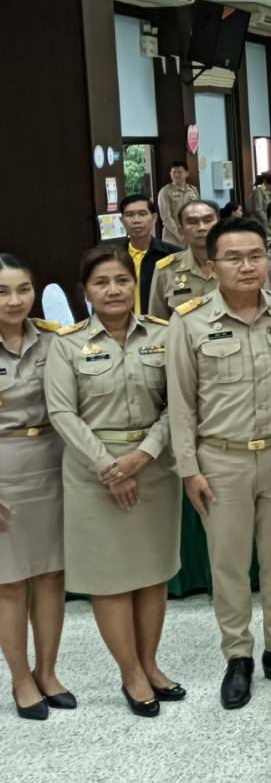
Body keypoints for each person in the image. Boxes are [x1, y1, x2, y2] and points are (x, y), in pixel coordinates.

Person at [165, 216, 271, 709]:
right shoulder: (189, 321)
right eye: (233, 258)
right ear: (212, 266)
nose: (247, 265)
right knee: (229, 565)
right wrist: (189, 469)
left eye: (256, 256)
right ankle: (238, 656)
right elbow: (180, 404)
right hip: (221, 459)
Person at [0, 256, 71, 720]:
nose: (14, 300)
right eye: (3, 292)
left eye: (23, 289)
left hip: (52, 464)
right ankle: (21, 679)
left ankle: (47, 672)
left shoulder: (53, 340)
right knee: (8, 584)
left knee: (51, 577)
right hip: (4, 471)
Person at [147, 199, 221, 319]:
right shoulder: (166, 270)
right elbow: (158, 322)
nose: (201, 227)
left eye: (208, 220)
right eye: (192, 222)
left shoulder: (237, 264)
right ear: (181, 230)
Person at [106, 194, 178, 314]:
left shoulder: (173, 255)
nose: (136, 220)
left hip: (161, 323)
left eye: (142, 214)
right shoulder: (112, 257)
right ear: (122, 221)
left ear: (154, 218)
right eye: (130, 215)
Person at [156, 161, 201, 246]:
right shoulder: (165, 191)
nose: (176, 175)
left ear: (187, 173)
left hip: (191, 234)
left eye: (179, 172)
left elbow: (198, 212)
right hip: (172, 238)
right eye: (174, 172)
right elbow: (166, 217)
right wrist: (179, 235)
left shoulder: (193, 190)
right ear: (170, 174)